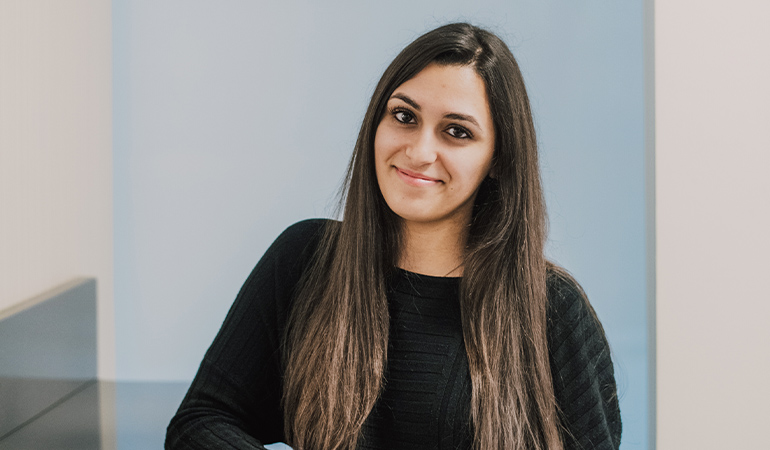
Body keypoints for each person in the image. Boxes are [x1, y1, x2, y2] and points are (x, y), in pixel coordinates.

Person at [166, 22, 621, 450]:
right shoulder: (305, 259)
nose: (420, 151)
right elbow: (200, 423)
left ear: (498, 160)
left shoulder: (553, 311)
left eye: (457, 132)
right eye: (404, 116)